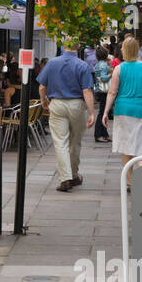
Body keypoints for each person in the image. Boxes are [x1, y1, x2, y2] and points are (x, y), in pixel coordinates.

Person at [37, 41, 94, 192]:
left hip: (57, 104)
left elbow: (42, 87)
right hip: (77, 104)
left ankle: (65, 178)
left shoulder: (52, 63)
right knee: (75, 141)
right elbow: (87, 91)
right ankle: (74, 175)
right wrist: (92, 112)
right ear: (78, 47)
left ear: (63, 45)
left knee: (60, 142)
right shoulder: (83, 65)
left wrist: (44, 101)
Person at [103, 36, 142, 165]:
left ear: (123, 50)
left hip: (123, 109)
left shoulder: (119, 69)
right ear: (137, 50)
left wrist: (105, 112)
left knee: (127, 147)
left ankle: (129, 182)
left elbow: (112, 92)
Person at [92, 46, 113, 143]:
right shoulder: (104, 65)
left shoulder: (98, 64)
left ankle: (104, 134)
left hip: (99, 90)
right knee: (103, 113)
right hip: (104, 91)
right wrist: (111, 74)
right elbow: (104, 78)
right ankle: (98, 134)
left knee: (103, 112)